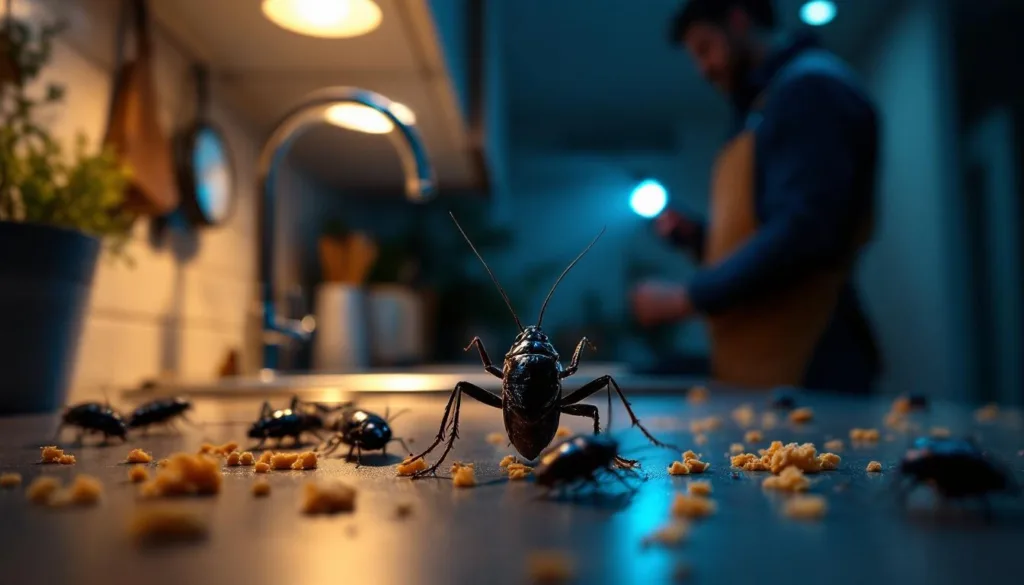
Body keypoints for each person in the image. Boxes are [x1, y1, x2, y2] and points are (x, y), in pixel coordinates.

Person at [630, 0, 882, 393]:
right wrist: (699, 238)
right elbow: (770, 226)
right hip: (763, 364)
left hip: (812, 362)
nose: (704, 68)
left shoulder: (811, 90)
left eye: (705, 48)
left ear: (738, 18)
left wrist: (685, 297)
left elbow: (804, 232)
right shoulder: (765, 106)